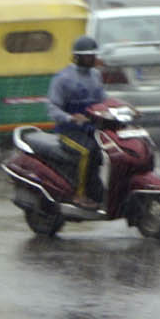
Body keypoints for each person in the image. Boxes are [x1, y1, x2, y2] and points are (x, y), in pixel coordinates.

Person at [47, 35, 108, 208]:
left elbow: (103, 99)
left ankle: (96, 192)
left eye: (93, 56)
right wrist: (70, 118)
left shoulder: (96, 75)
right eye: (88, 56)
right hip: (68, 131)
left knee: (104, 151)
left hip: (91, 129)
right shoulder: (63, 79)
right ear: (78, 57)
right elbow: (52, 108)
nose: (92, 59)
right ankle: (78, 195)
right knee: (86, 152)